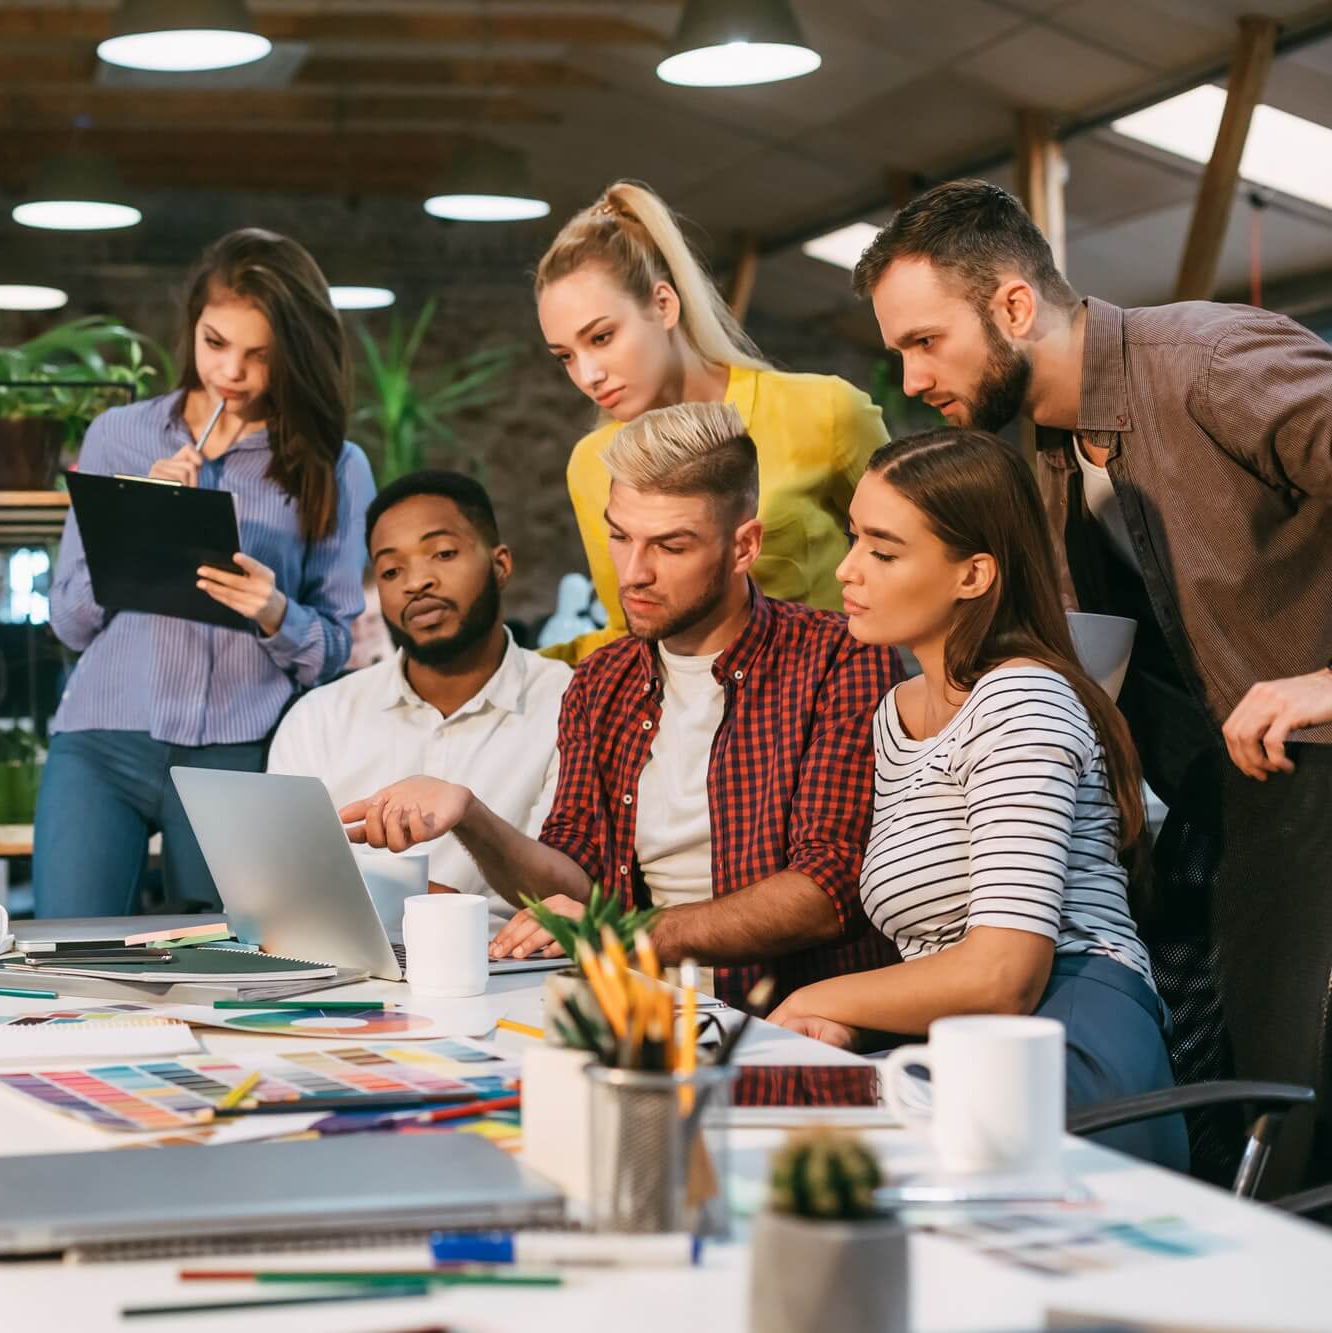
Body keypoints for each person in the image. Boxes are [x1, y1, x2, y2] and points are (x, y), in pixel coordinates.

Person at [853, 181, 1332, 1184]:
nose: (908, 377)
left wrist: (1324, 681)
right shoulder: (1048, 459)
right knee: (1243, 1141)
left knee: (1295, 1149)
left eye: (925, 341)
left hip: (1316, 786)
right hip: (1233, 815)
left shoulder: (1206, 363)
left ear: (1014, 307)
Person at [341, 403, 901, 1009]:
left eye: (671, 546)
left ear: (744, 547)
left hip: (786, 1022)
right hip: (632, 1016)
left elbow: (827, 891)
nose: (633, 573)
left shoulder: (838, 657)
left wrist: (621, 935)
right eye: (619, 535)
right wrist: (471, 815)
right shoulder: (601, 680)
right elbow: (574, 879)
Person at [768, 429, 1185, 1169]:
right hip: (965, 1045)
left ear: (974, 575)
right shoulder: (895, 714)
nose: (848, 570)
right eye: (854, 538)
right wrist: (854, 1025)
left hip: (1066, 1043)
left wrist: (820, 1001)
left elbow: (1002, 972)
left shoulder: (1022, 698)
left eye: (884, 551)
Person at [38, 228, 375, 917]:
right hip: (102, 737)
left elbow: (336, 649)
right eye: (215, 342)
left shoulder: (337, 467)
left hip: (238, 751)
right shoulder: (117, 436)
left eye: (260, 355)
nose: (231, 372)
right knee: (63, 954)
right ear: (192, 325)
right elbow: (68, 620)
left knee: (230, 974)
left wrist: (276, 612)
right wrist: (137, 524)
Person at [535, 179, 889, 664]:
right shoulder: (592, 464)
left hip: (831, 709)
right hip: (682, 725)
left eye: (600, 338)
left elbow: (918, 557)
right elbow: (629, 631)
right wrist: (510, 672)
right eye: (565, 357)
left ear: (663, 305)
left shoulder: (824, 411)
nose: (588, 375)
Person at [267, 470, 571, 920]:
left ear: (501, 565)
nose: (416, 582)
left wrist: (451, 907)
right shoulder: (321, 717)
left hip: (511, 969)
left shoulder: (570, 702)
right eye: (391, 570)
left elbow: (579, 887)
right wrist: (413, 896)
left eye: (443, 553)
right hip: (348, 964)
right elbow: (276, 879)